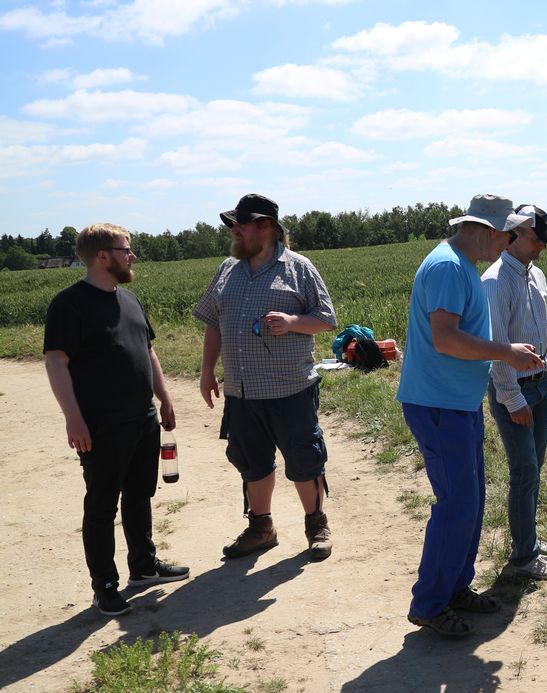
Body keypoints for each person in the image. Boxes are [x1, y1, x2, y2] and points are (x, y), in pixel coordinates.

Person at [397, 194, 546, 637]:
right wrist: (507, 353)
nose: (509, 243)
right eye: (507, 235)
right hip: (438, 404)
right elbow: (445, 339)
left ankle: (455, 587)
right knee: (457, 505)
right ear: (484, 229)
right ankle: (429, 602)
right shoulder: (447, 267)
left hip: (457, 404)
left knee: (472, 500)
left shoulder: (461, 266)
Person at [44, 223, 190, 617]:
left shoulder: (129, 300)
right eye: (127, 249)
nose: (133, 256)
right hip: (101, 425)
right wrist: (73, 418)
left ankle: (142, 567)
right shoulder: (69, 304)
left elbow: (149, 351)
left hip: (142, 418)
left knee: (140, 494)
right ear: (103, 256)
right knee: (102, 504)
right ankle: (105, 586)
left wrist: (164, 396)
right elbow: (56, 362)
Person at [194, 194, 338, 562]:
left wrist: (292, 323)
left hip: (290, 388)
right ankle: (261, 528)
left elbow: (325, 320)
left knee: (305, 460)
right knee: (251, 461)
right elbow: (213, 323)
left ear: (266, 227)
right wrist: (208, 371)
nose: (235, 231)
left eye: (241, 225)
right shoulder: (228, 269)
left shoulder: (298, 268)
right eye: (234, 226)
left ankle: (315, 523)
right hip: (241, 392)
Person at [482, 204, 547, 581]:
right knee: (524, 470)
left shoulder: (536, 275)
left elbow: (544, 328)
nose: (542, 248)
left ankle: (528, 537)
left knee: (535, 466)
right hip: (512, 389)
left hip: (538, 384)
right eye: (537, 239)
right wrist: (512, 398)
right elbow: (496, 346)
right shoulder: (495, 281)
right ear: (513, 234)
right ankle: (523, 557)